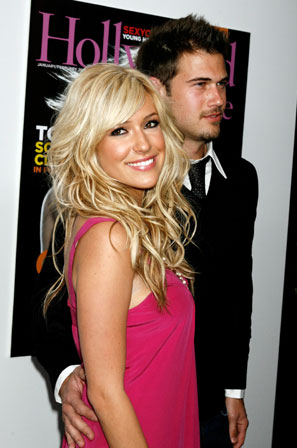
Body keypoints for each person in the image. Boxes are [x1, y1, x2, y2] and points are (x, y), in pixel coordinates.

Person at [32, 14, 258, 448]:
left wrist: (235, 389)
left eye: (221, 83)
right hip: (134, 416)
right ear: (159, 88)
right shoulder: (115, 201)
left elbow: (237, 289)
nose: (217, 99)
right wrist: (68, 375)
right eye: (199, 85)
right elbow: (50, 296)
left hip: (202, 404)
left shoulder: (240, 179)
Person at [43, 62, 200, 447]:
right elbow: (106, 393)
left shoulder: (133, 224)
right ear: (89, 143)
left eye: (150, 123)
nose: (143, 144)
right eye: (119, 131)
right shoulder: (109, 238)